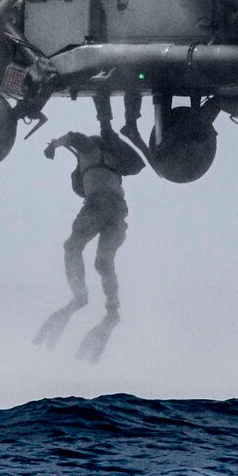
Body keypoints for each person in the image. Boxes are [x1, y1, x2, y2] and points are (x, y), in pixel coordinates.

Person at [37, 94, 144, 361]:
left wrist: (55, 144)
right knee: (103, 262)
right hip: (118, 212)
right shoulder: (111, 161)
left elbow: (74, 137)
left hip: (99, 206)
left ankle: (80, 297)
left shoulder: (89, 148)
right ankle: (112, 311)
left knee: (72, 246)